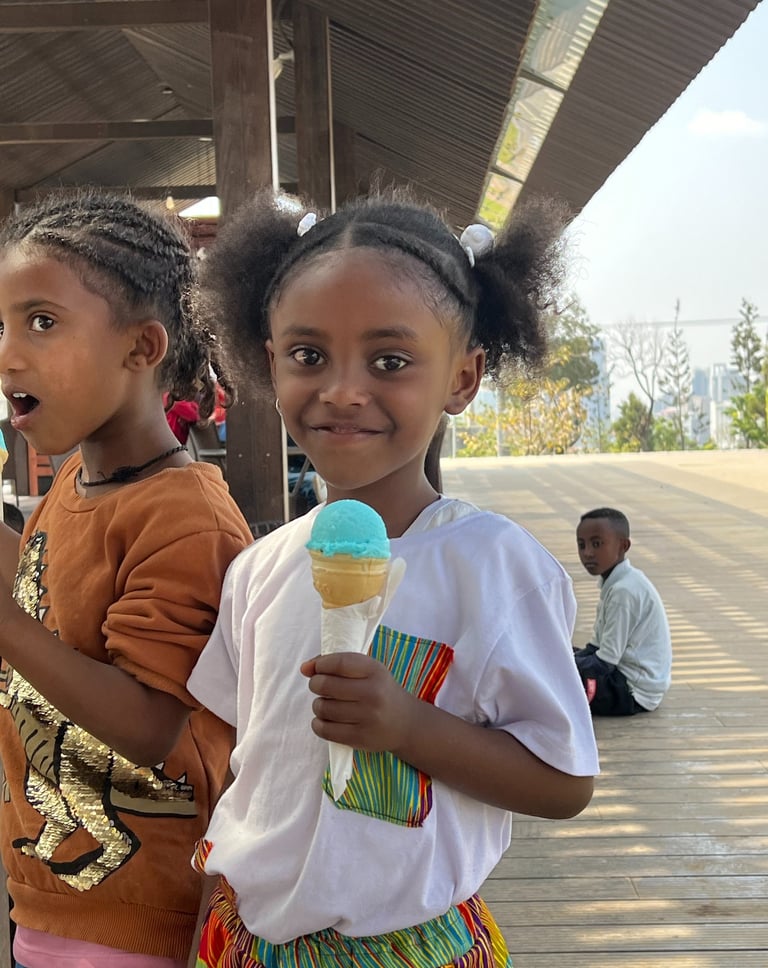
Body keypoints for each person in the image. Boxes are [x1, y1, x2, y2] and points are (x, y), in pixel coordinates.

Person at [186, 187, 600, 968]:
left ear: (462, 378)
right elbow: (246, 769)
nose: (344, 390)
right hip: (243, 940)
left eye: (390, 361)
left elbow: (563, 781)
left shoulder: (493, 567)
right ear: (270, 363)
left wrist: (409, 727)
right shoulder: (258, 569)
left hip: (406, 947)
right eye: (309, 356)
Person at [0, 190, 253, 967]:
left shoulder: (186, 518)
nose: (8, 354)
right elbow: (44, 594)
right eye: (2, 325)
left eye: (42, 323)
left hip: (150, 915)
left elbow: (150, 724)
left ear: (142, 348)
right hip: (52, 895)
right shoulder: (76, 483)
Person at [574, 507, 672, 716]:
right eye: (582, 545)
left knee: (552, 677)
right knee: (559, 654)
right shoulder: (617, 582)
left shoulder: (624, 592)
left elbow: (605, 662)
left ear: (623, 545)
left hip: (631, 691)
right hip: (620, 674)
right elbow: (595, 647)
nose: (587, 553)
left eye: (597, 544)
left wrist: (562, 665)